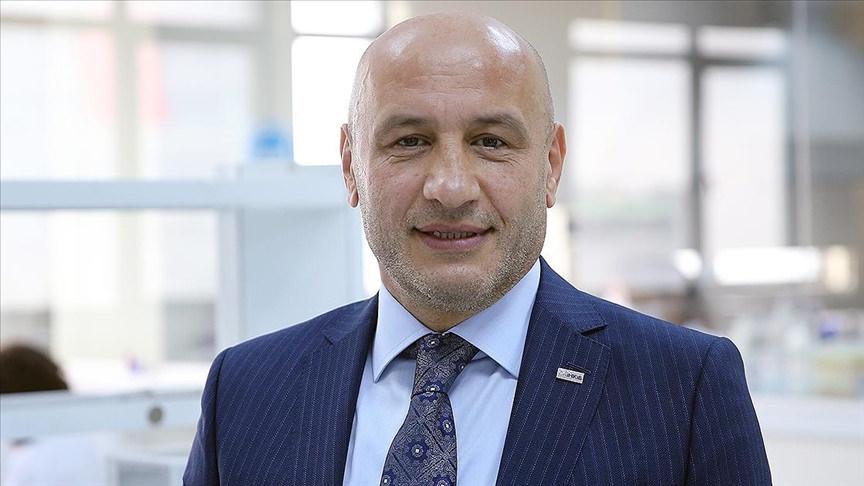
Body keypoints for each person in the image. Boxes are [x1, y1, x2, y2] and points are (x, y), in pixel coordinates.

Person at [184, 13, 771, 485]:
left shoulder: (682, 390)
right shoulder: (246, 389)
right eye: (409, 141)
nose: (450, 187)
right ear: (350, 166)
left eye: (490, 142)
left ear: (550, 166)